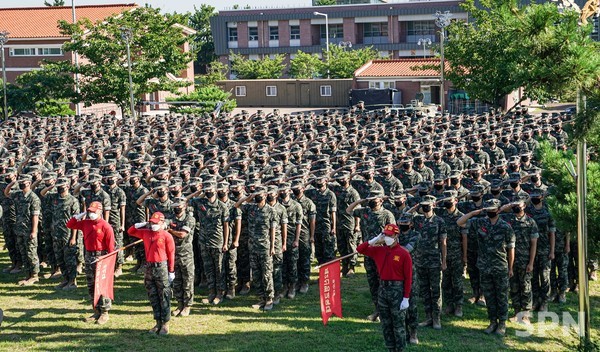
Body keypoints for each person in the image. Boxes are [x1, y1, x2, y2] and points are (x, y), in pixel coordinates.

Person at [457, 199, 515, 336]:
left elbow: (511, 249)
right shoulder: (480, 222)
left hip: (500, 266)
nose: (490, 211)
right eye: (488, 209)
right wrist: (473, 213)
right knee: (489, 296)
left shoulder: (505, 227)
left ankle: (502, 323)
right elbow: (460, 222)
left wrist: (510, 267)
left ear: (498, 209)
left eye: (493, 209)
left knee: (501, 296)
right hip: (484, 266)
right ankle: (492, 321)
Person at [357, 223, 413, 352]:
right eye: (385, 235)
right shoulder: (379, 250)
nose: (387, 237)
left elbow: (408, 278)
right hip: (383, 289)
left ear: (396, 236)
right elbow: (360, 249)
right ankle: (390, 349)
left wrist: (406, 297)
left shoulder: (403, 254)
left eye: (389, 235)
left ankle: (400, 349)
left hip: (397, 290)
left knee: (398, 325)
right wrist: (373, 240)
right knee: (386, 324)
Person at [66, 201, 115, 325]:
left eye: (93, 211)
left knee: (101, 285)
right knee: (91, 284)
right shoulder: (85, 223)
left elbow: (111, 249)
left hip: (102, 256)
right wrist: (78, 215)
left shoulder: (106, 226)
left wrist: (108, 263)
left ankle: (105, 312)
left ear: (100, 211)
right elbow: (70, 225)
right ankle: (96, 310)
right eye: (89, 211)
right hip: (89, 255)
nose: (91, 214)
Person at [128, 212, 176, 335]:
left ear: (162, 223)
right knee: (153, 295)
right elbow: (131, 231)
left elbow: (171, 254)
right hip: (149, 267)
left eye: (155, 223)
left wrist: (171, 271)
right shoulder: (146, 232)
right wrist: (142, 224)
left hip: (161, 267)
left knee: (164, 295)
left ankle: (165, 323)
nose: (153, 225)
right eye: (151, 222)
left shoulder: (166, 236)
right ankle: (157, 322)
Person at [5, 174, 42, 286]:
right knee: (23, 253)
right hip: (19, 229)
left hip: (29, 229)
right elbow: (6, 193)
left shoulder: (33, 198)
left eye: (23, 182)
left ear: (29, 183)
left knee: (31, 253)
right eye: (20, 182)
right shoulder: (18, 195)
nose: (21, 184)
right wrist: (12, 183)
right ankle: (28, 274)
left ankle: (35, 276)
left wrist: (34, 231)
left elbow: (35, 216)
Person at [167, 197, 196, 317]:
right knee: (177, 281)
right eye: (175, 206)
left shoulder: (189, 219)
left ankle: (187, 306)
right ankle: (179, 304)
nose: (176, 208)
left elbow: (182, 234)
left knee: (188, 280)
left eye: (179, 206)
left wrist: (170, 231)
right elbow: (163, 223)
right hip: (174, 254)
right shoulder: (171, 218)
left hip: (186, 254)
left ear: (184, 206)